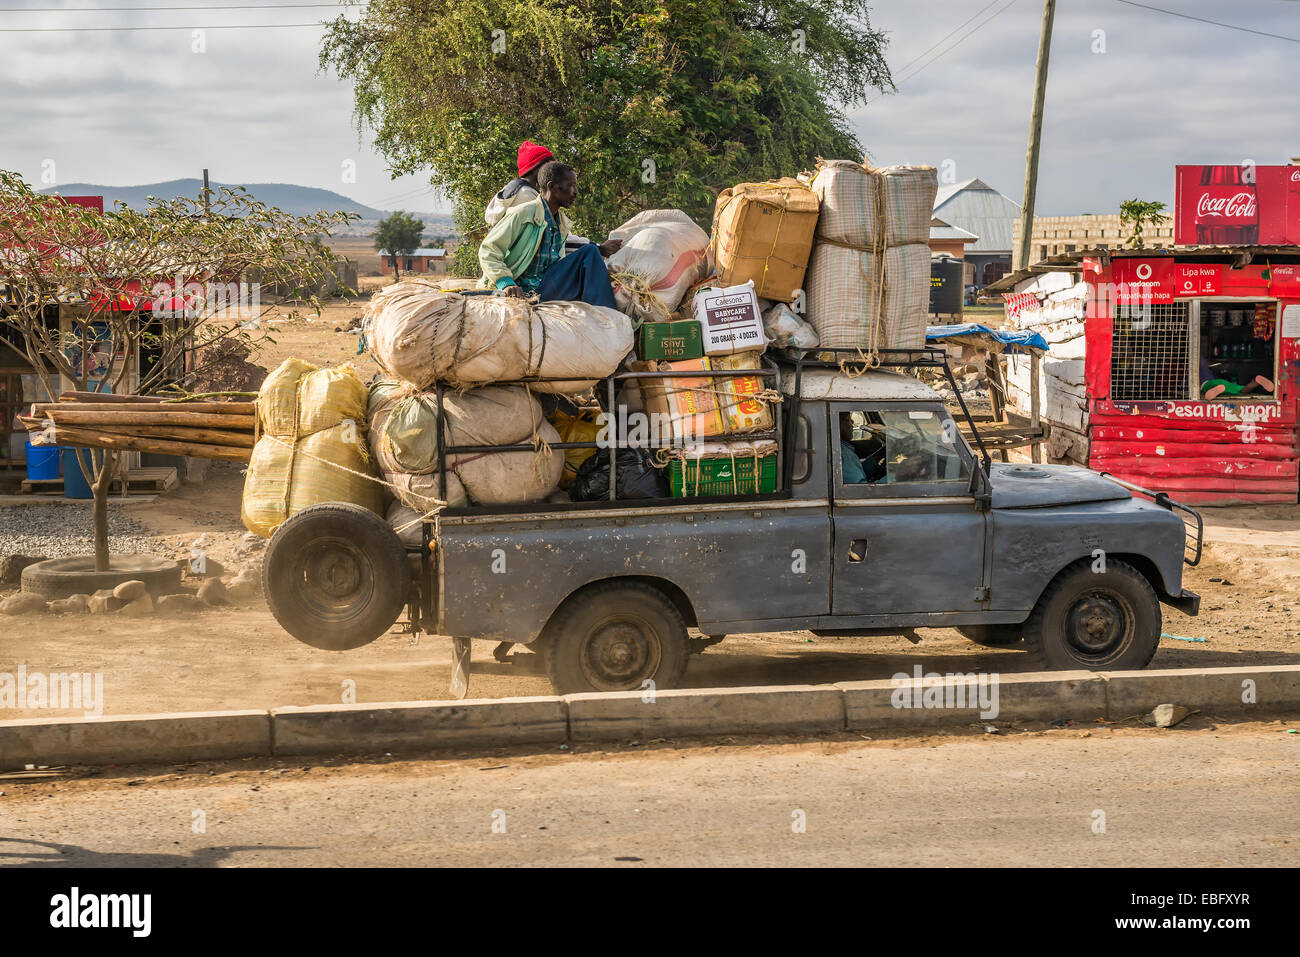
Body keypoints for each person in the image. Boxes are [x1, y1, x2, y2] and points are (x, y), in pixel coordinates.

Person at [478, 161, 621, 307]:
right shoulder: (523, 213)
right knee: (589, 252)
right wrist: (506, 283)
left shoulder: (561, 223)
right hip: (523, 288)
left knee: (590, 252)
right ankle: (606, 312)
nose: (575, 192)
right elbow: (488, 250)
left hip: (545, 286)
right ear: (552, 187)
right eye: (570, 186)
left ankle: (603, 311)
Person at [484, 141, 553, 227]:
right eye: (549, 166)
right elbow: (546, 229)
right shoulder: (526, 195)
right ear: (535, 168)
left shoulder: (512, 188)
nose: (551, 172)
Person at [839, 414, 867, 484]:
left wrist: (875, 460)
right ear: (839, 424)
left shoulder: (842, 447)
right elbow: (862, 490)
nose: (852, 423)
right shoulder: (844, 454)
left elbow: (857, 471)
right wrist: (894, 477)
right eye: (848, 420)